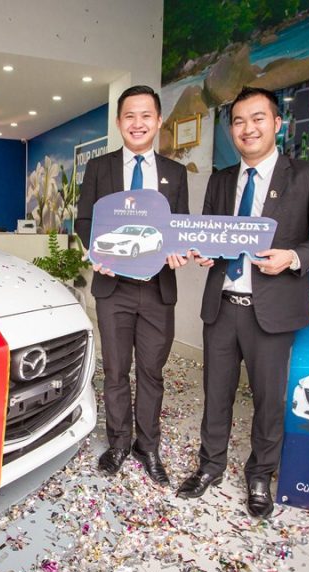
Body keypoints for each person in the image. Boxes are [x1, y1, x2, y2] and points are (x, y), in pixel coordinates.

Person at [176, 86, 309, 517]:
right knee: (216, 393)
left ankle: (260, 475)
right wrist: (203, 252)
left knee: (268, 400)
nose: (247, 128)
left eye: (257, 119)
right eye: (238, 121)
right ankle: (210, 466)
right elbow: (209, 235)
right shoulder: (221, 179)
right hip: (221, 306)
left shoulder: (306, 175)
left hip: (272, 311)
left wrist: (293, 257)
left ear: (277, 123)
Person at [75, 85, 190, 486]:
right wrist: (96, 252)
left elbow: (179, 226)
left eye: (146, 116)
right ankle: (119, 442)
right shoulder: (99, 168)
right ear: (119, 121)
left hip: (159, 289)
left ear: (158, 121)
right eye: (129, 116)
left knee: (152, 373)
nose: (137, 123)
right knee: (116, 371)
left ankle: (148, 446)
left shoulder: (175, 173)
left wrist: (179, 250)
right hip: (114, 289)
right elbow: (84, 221)